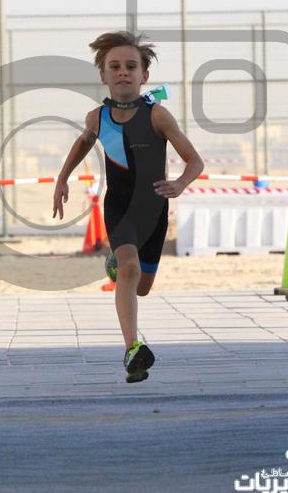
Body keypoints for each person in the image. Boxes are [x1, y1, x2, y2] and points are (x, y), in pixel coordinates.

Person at [52, 31, 203, 382]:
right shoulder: (96, 117)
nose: (123, 72)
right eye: (115, 66)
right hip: (119, 207)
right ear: (103, 75)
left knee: (142, 286)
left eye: (131, 67)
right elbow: (82, 143)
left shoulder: (158, 116)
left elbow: (194, 161)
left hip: (155, 210)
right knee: (130, 269)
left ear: (144, 76)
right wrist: (62, 179)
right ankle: (132, 348)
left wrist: (181, 183)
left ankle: (118, 268)